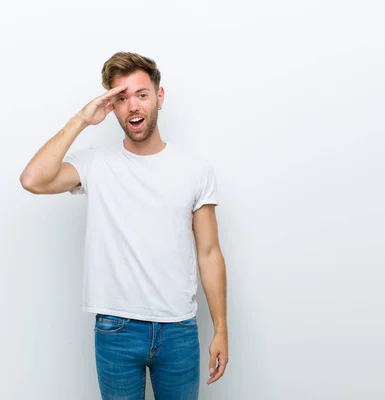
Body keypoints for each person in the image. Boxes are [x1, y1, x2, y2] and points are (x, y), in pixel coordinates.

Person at [19, 51, 228, 399]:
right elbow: (32, 179)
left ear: (159, 97)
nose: (133, 106)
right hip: (116, 328)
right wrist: (83, 119)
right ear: (111, 106)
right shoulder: (95, 164)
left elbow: (209, 253)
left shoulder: (195, 169)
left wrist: (221, 328)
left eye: (142, 94)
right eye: (121, 98)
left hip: (178, 329)